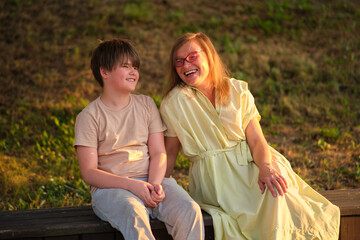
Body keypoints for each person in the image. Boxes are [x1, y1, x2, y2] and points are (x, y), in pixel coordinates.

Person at [160, 32, 340, 240]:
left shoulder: (237, 89)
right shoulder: (174, 102)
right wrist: (156, 187)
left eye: (192, 56)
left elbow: (257, 140)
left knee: (276, 195)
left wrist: (266, 167)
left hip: (254, 165)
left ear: (209, 56)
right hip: (218, 181)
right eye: (179, 61)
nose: (185, 64)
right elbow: (169, 153)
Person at [74, 39, 204, 240]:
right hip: (113, 190)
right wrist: (132, 186)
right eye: (126, 66)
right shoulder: (89, 116)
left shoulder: (146, 105)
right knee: (134, 212)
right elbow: (89, 173)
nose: (134, 72)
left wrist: (155, 184)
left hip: (151, 181)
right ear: (105, 72)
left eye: (135, 67)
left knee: (189, 210)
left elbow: (159, 152)